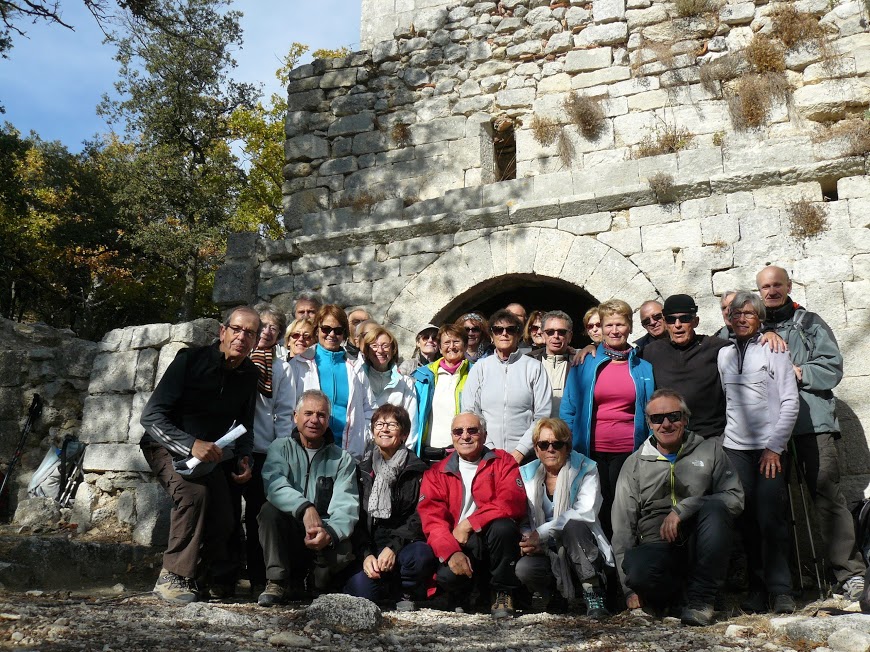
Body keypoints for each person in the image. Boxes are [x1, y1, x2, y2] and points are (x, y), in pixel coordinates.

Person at [757, 265, 867, 599]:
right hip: (769, 430)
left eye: (777, 285)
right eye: (765, 287)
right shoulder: (750, 326)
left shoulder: (810, 323)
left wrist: (797, 371)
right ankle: (779, 583)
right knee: (771, 503)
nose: (772, 291)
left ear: (789, 286)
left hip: (812, 424)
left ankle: (850, 574)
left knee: (825, 495)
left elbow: (833, 368)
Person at [139, 306, 260, 604]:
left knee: (225, 514)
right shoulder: (189, 362)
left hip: (208, 454)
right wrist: (191, 445)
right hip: (165, 444)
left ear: (256, 341)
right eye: (237, 329)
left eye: (250, 333)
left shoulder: (249, 374)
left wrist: (245, 458)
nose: (242, 337)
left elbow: (245, 425)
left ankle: (198, 579)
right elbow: (151, 417)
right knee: (194, 495)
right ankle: (172, 576)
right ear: (223, 331)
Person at [611, 390, 744, 626]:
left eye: (673, 416)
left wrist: (685, 508)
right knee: (639, 574)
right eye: (657, 418)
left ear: (685, 418)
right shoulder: (634, 463)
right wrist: (627, 590)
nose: (666, 424)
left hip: (699, 543)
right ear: (649, 423)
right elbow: (622, 527)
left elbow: (735, 498)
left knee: (716, 507)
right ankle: (676, 596)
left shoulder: (710, 451)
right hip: (656, 545)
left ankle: (701, 600)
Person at [718, 291, 800, 614]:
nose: (741, 319)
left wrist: (774, 447)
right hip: (735, 448)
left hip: (769, 450)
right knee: (747, 521)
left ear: (759, 318)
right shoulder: (723, 355)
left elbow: (790, 403)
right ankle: (757, 589)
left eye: (749, 314)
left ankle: (781, 591)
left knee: (772, 519)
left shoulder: (774, 349)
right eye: (736, 314)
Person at [418, 412, 527, 618]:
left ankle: (502, 592)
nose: (465, 436)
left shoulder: (503, 461)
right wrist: (451, 553)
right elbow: (433, 521)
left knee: (503, 526)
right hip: (460, 544)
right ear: (452, 437)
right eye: (458, 431)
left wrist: (470, 522)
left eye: (472, 430)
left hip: (493, 541)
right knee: (448, 577)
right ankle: (468, 595)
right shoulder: (436, 472)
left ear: (484, 435)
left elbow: (513, 501)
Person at [560, 300, 654, 538]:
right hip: (590, 451)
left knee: (623, 511)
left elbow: (652, 411)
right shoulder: (584, 362)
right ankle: (598, 565)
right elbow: (569, 408)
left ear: (630, 327)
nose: (614, 330)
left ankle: (622, 563)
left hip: (629, 451)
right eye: (608, 325)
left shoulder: (644, 368)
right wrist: (568, 449)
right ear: (600, 328)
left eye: (620, 324)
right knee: (594, 509)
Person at [257, 390, 359, 606]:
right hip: (290, 530)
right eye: (308, 413)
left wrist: (329, 533)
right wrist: (305, 508)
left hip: (322, 534)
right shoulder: (280, 448)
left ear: (328, 420)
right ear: (296, 416)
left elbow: (346, 505)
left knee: (341, 554)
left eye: (321, 415)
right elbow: (274, 484)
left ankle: (314, 584)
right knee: (268, 511)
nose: (314, 420)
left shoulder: (342, 459)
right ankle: (276, 581)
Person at [516, 418, 613, 618]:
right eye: (544, 444)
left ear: (567, 447)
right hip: (545, 550)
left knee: (573, 525)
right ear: (536, 449)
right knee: (524, 568)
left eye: (557, 444)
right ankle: (556, 594)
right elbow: (523, 517)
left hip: (582, 545)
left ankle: (592, 590)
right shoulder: (526, 474)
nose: (550, 449)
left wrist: (540, 533)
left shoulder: (586, 468)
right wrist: (528, 538)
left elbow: (585, 511)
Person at [344, 405, 435, 611]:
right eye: (379, 424)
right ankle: (383, 586)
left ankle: (405, 589)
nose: (384, 429)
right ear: (373, 431)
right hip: (371, 543)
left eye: (392, 425)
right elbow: (355, 515)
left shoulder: (417, 470)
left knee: (420, 556)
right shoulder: (362, 469)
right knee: (361, 593)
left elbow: (420, 515)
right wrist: (366, 554)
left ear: (403, 434)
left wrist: (394, 547)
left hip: (403, 544)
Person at [237, 303, 295, 596]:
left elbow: (285, 412)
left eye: (274, 327)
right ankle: (224, 575)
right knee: (227, 512)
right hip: (231, 447)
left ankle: (260, 578)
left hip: (263, 449)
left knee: (258, 515)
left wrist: (280, 449)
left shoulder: (282, 367)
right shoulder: (238, 357)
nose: (267, 331)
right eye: (264, 325)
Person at [462, 309, 552, 463]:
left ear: (518, 335)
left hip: (525, 457)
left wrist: (521, 451)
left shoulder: (534, 367)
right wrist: (489, 449)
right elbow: (471, 412)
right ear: (491, 336)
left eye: (510, 330)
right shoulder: (480, 368)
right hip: (486, 455)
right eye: (498, 330)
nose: (504, 334)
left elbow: (542, 415)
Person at [287, 304, 375, 461]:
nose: (331, 334)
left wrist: (363, 437)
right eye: (326, 329)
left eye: (338, 330)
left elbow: (369, 407)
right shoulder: (299, 365)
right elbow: (287, 409)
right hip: (307, 451)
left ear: (344, 334)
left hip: (348, 452)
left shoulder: (356, 367)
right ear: (317, 330)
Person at [639, 294, 731, 439]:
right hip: (670, 438)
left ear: (696, 321)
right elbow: (620, 358)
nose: (677, 325)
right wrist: (591, 348)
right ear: (665, 323)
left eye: (685, 319)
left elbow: (748, 348)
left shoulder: (716, 347)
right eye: (671, 319)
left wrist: (768, 334)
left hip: (710, 437)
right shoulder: (651, 352)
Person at [413, 324, 472, 463]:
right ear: (440, 347)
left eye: (456, 341)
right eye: (446, 342)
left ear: (465, 345)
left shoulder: (474, 372)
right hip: (429, 452)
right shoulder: (424, 375)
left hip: (462, 451)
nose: (451, 346)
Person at [357, 326, 419, 452]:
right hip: (362, 452)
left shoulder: (405, 383)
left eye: (385, 346)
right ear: (367, 351)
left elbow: (411, 424)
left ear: (393, 350)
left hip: (395, 453)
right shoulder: (358, 379)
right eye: (374, 346)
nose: (380, 350)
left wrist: (404, 455)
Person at [526, 310, 576, 416]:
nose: (556, 336)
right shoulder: (528, 362)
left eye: (561, 332)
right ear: (543, 335)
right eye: (550, 332)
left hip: (568, 428)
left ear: (570, 336)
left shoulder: (580, 362)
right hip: (537, 429)